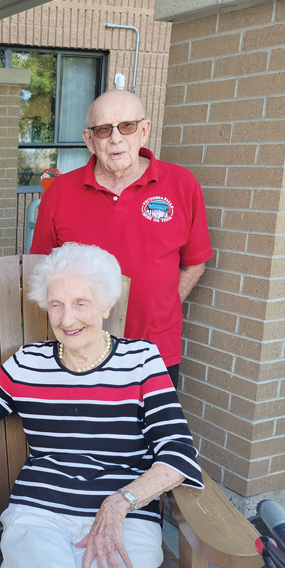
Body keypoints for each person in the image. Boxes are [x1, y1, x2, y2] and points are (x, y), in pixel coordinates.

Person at [0, 243, 203, 568]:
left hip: (124, 520)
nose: (67, 318)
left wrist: (120, 501)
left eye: (81, 303)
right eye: (56, 304)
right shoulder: (28, 364)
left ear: (107, 305)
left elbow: (178, 454)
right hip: (39, 515)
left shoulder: (141, 361)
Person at [30, 89, 213, 387]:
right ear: (89, 140)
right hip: (80, 353)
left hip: (154, 353)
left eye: (126, 126)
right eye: (103, 130)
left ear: (144, 131)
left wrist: (161, 310)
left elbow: (194, 265)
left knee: (150, 432)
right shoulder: (60, 193)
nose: (115, 138)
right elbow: (40, 271)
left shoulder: (182, 184)